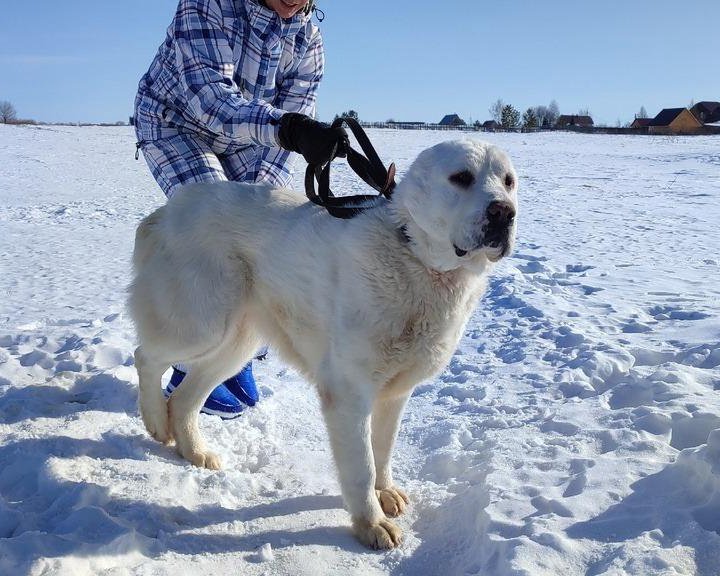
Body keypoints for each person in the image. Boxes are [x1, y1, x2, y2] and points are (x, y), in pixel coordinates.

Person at [134, 0, 348, 418]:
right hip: (175, 124)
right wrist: (288, 128)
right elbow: (212, 102)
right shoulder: (206, 5)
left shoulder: (308, 39)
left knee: (258, 233)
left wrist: (260, 209)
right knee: (211, 223)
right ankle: (184, 358)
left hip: (252, 139)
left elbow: (296, 115)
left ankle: (232, 352)